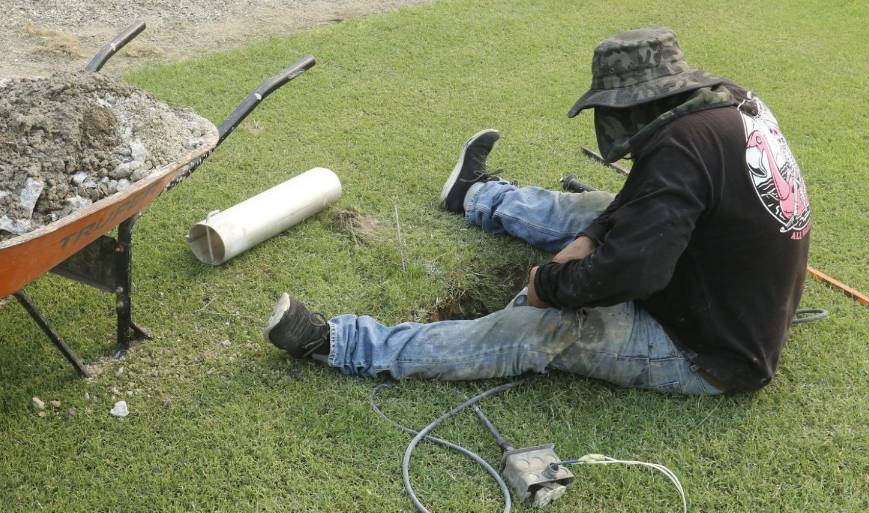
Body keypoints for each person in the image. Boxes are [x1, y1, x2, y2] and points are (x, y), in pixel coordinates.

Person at [265, 28, 811, 395]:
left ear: (632, 106)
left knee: (544, 328)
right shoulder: (724, 108)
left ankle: (340, 343)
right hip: (722, 284)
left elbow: (635, 272)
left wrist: (547, 286)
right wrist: (594, 236)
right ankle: (475, 196)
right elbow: (633, 207)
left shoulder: (678, 147)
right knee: (599, 208)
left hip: (713, 350)